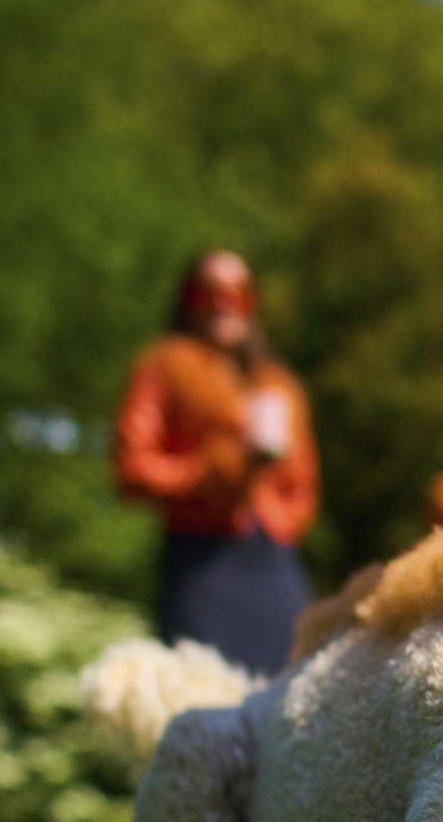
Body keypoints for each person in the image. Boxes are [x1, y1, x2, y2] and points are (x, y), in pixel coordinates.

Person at [113, 250, 320, 677]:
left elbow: (304, 479)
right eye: (207, 291)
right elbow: (131, 466)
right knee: (205, 697)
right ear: (188, 300)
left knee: (293, 689)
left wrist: (285, 516)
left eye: (238, 293)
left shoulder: (277, 382)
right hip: (200, 557)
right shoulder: (164, 365)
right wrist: (206, 475)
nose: (223, 302)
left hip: (272, 559)